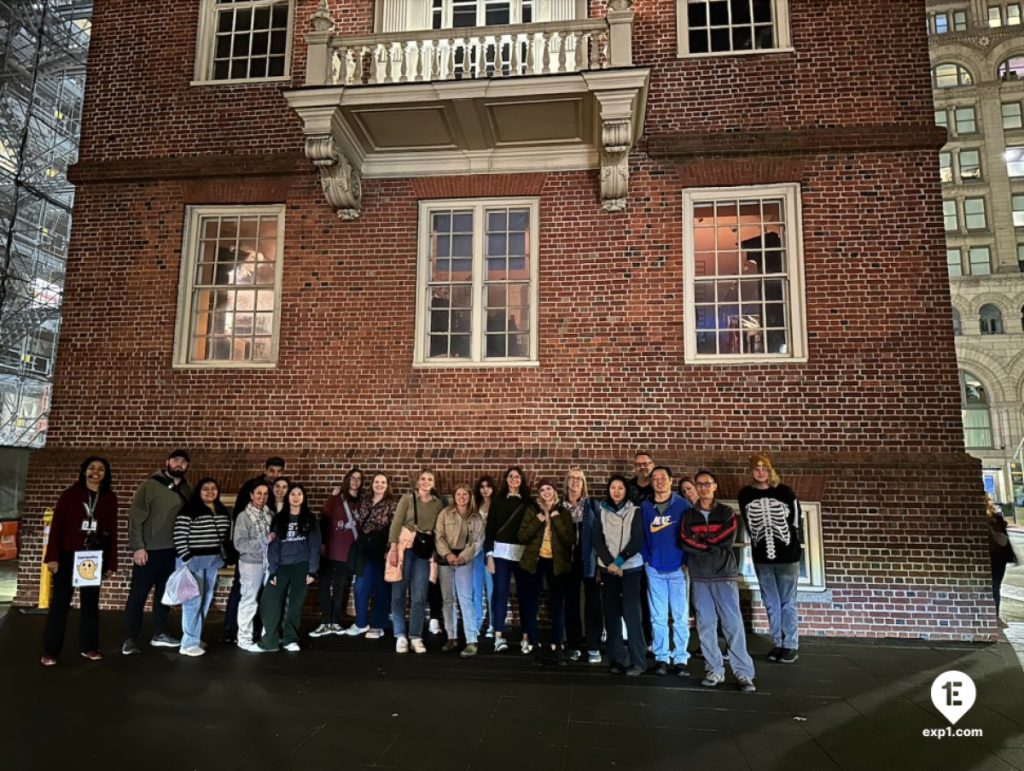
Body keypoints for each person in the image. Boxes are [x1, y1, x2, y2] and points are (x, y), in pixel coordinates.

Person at [681, 470, 756, 693]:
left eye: (707, 484)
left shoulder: (726, 513)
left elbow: (725, 540)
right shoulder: (688, 516)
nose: (703, 488)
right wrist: (708, 545)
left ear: (715, 486)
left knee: (732, 624)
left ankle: (743, 672)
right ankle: (714, 670)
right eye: (699, 485)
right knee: (705, 625)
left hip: (724, 574)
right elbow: (685, 541)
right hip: (700, 576)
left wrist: (701, 543)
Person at [41, 457, 118, 666]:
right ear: (84, 471)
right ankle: (50, 651)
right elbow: (56, 526)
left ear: (105, 474)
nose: (96, 472)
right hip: (67, 555)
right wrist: (53, 557)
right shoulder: (70, 496)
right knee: (60, 604)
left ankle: (90, 647)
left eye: (101, 469)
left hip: (92, 557)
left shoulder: (109, 498)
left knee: (90, 605)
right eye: (92, 468)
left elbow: (112, 531)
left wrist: (111, 562)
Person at [122, 449, 191, 655]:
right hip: (149, 551)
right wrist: (138, 546)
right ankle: (129, 638)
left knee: (164, 595)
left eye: (183, 462)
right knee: (138, 595)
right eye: (175, 460)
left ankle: (160, 633)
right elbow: (135, 518)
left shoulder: (188, 490)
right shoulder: (149, 486)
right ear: (168, 462)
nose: (179, 464)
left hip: (172, 552)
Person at [738, 454, 802, 664]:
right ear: (751, 472)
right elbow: (748, 522)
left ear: (770, 471)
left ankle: (791, 644)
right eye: (756, 469)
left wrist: (793, 546)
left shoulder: (784, 492)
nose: (760, 472)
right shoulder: (745, 494)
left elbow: (795, 520)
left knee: (787, 602)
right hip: (762, 557)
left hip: (787, 557)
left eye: (764, 468)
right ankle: (778, 642)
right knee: (771, 602)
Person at [221, 456, 286, 643]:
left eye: (278, 471)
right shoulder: (246, 509)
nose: (275, 475)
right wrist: (262, 541)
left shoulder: (271, 507)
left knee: (264, 596)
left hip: (266, 559)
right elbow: (241, 535)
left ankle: (258, 631)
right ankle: (234, 631)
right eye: (272, 471)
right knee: (244, 593)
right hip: (250, 558)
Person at [251, 484, 321, 652]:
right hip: (281, 566)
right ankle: (269, 641)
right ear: (287, 497)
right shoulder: (280, 518)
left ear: (303, 498)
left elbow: (315, 546)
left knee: (295, 605)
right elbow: (274, 547)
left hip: (301, 566)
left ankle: (290, 639)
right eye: (292, 494)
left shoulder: (310, 519)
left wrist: (312, 570)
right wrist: (273, 569)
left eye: (299, 494)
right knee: (270, 601)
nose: (295, 497)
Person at [518, 478, 576, 666]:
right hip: (534, 562)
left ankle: (558, 645)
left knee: (557, 605)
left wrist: (555, 518)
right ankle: (535, 645)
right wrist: (538, 520)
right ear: (539, 493)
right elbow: (522, 536)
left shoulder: (564, 512)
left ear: (555, 491)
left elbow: (570, 540)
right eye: (542, 489)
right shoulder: (532, 511)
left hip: (557, 563)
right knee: (531, 604)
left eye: (549, 488)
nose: (546, 492)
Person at [640, 466, 691, 676]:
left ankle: (680, 658)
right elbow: (641, 535)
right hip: (654, 568)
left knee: (680, 615)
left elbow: (690, 535)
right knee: (658, 616)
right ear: (651, 483)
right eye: (655, 478)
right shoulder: (645, 506)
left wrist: (686, 560)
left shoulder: (683, 506)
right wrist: (646, 559)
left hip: (678, 568)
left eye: (663, 478)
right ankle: (661, 657)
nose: (659, 481)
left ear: (671, 480)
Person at [593, 474, 645, 676]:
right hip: (608, 569)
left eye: (620, 488)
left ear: (626, 491)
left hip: (630, 568)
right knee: (612, 615)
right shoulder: (601, 511)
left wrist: (620, 561)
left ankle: (638, 661)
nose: (616, 491)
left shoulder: (635, 511)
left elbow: (637, 540)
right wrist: (610, 564)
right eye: (613, 487)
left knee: (632, 615)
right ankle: (615, 659)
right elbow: (597, 539)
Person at [173, 478, 232, 657]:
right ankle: (188, 643)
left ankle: (195, 637)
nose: (210, 492)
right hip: (193, 560)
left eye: (213, 488)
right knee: (192, 602)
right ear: (198, 491)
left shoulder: (222, 511)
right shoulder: (189, 510)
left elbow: (223, 537)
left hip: (212, 560)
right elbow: (179, 536)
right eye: (205, 489)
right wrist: (188, 559)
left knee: (205, 600)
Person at [388, 469, 444, 654]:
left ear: (433, 483)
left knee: (419, 594)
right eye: (423, 479)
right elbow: (396, 522)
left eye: (430, 479)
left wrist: (436, 552)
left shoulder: (438, 504)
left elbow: (439, 529)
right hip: (404, 547)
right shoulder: (407, 499)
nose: (426, 482)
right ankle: (400, 635)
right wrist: (393, 548)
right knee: (399, 592)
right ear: (417, 482)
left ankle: (415, 635)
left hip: (423, 550)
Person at [485, 466, 536, 654]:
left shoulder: (529, 502)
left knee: (525, 595)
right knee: (500, 594)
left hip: (522, 554)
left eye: (517, 477)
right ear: (506, 480)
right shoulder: (498, 502)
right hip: (500, 553)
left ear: (522, 480)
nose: (514, 479)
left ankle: (525, 637)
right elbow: (489, 529)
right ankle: (498, 636)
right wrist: (489, 555)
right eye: (511, 476)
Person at [434, 482, 485, 657]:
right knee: (448, 599)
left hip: (465, 559)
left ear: (470, 496)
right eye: (458, 494)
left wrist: (463, 556)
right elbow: (438, 535)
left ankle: (471, 640)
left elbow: (478, 541)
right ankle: (451, 637)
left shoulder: (476, 517)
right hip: (446, 558)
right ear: (453, 497)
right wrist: (448, 554)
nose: (461, 497)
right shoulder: (445, 513)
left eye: (465, 494)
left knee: (465, 598)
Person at [310, 468, 360, 638]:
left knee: (340, 588)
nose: (355, 481)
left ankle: (335, 621)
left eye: (358, 479)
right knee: (324, 587)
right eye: (352, 478)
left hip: (347, 553)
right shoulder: (335, 498)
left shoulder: (362, 502)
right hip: (329, 550)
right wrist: (322, 544)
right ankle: (325, 621)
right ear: (347, 480)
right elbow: (323, 520)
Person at [563, 467, 603, 664]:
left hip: (590, 558)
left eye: (579, 478)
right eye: (572, 478)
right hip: (567, 560)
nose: (576, 481)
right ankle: (574, 645)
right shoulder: (559, 506)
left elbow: (600, 534)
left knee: (593, 603)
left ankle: (594, 646)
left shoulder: (593, 505)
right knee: (570, 603)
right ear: (567, 481)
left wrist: (599, 563)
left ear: (584, 483)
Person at [351, 472, 396, 638]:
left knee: (381, 588)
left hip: (381, 545)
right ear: (372, 484)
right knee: (361, 586)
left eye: (383, 482)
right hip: (364, 546)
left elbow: (394, 527)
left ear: (387, 485)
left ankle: (378, 625)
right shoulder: (365, 501)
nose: (379, 485)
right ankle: (361, 622)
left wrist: (390, 549)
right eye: (376, 482)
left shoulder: (392, 503)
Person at [234, 481, 273, 650]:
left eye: (265, 494)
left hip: (268, 562)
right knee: (249, 600)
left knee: (269, 600)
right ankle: (244, 638)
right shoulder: (244, 516)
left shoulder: (270, 514)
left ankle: (267, 635)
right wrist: (264, 541)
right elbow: (239, 543)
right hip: (251, 563)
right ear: (251, 495)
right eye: (259, 493)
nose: (262, 497)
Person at [471, 475, 496, 638]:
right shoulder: (475, 504)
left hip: (491, 551)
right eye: (482, 486)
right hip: (476, 550)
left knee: (492, 588)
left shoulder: (497, 504)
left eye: (488, 486)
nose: (485, 489)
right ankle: (477, 621)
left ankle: (493, 623)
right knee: (476, 587)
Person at [987, 495, 1018, 623]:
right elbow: (1005, 540)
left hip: (995, 557)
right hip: (999, 558)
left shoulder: (993, 518)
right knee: (995, 587)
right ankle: (995, 615)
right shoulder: (996, 517)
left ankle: (993, 616)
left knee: (993, 587)